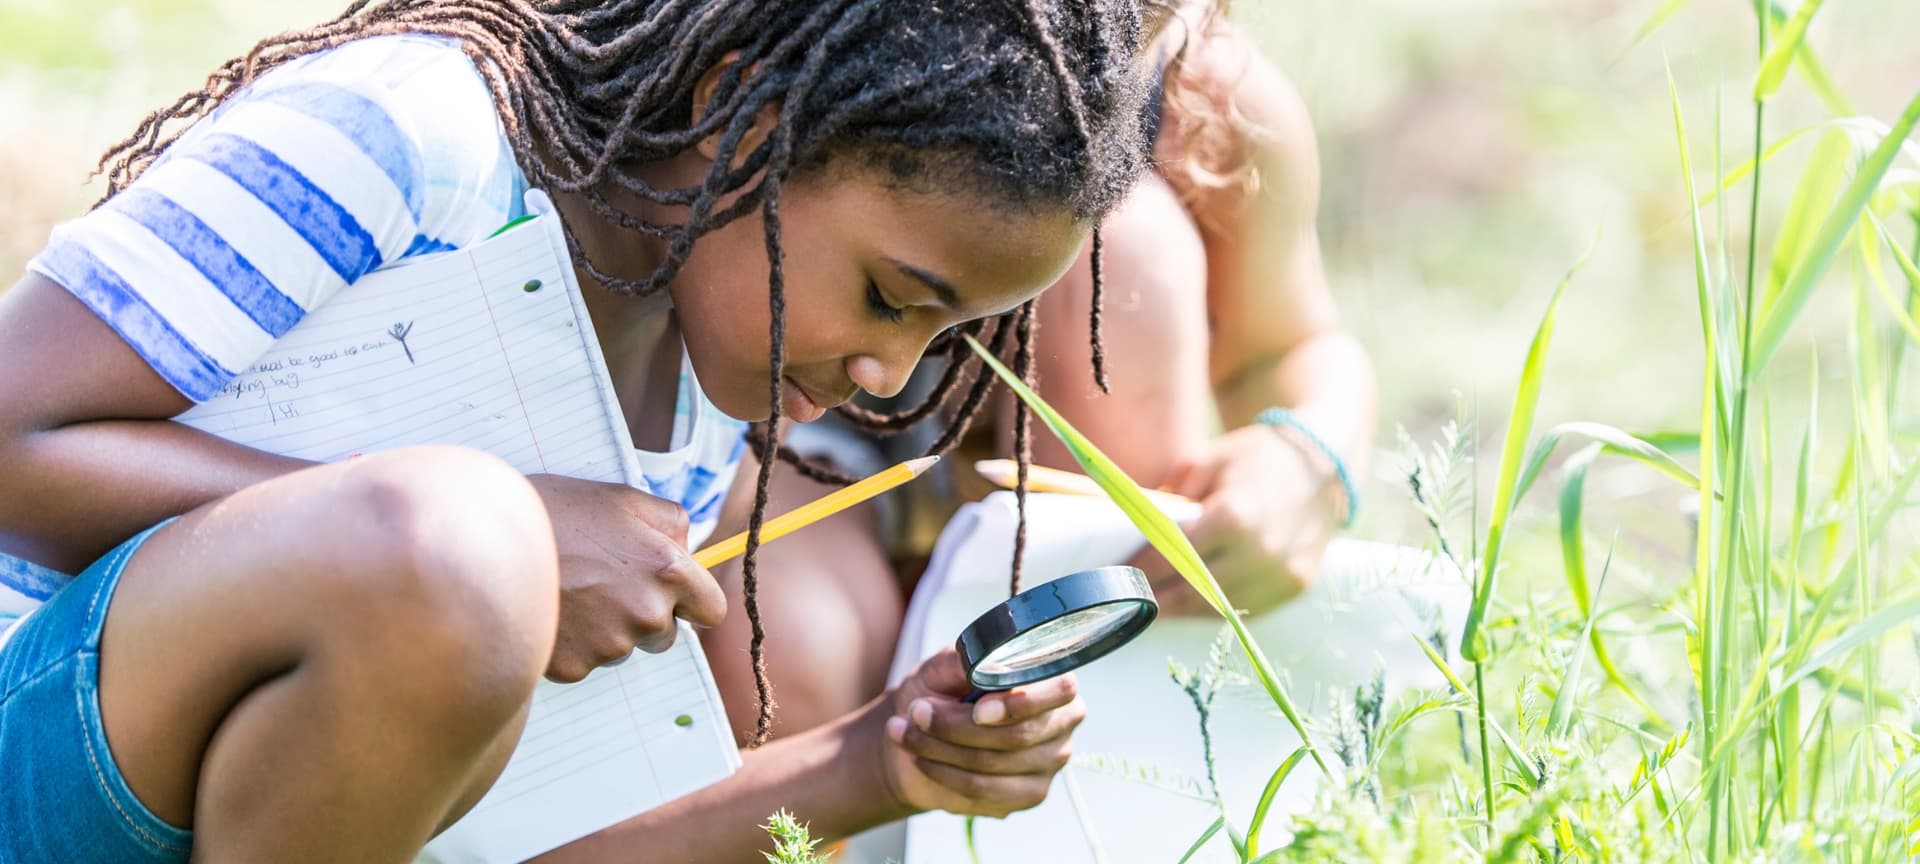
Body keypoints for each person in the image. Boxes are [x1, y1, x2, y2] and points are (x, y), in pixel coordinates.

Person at [0, 1, 1154, 861]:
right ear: (742, 119)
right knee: (456, 544)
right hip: (37, 734)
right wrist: (511, 541)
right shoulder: (419, 133)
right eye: (891, 299)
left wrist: (876, 760)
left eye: (944, 336)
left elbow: (497, 842)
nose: (885, 374)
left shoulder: (700, 399)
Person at [702, 0, 1380, 747]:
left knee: (1126, 260)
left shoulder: (1206, 101)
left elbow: (1290, 345)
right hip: (797, 426)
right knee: (786, 653)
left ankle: (1095, 740)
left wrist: (1308, 459)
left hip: (1052, 459)